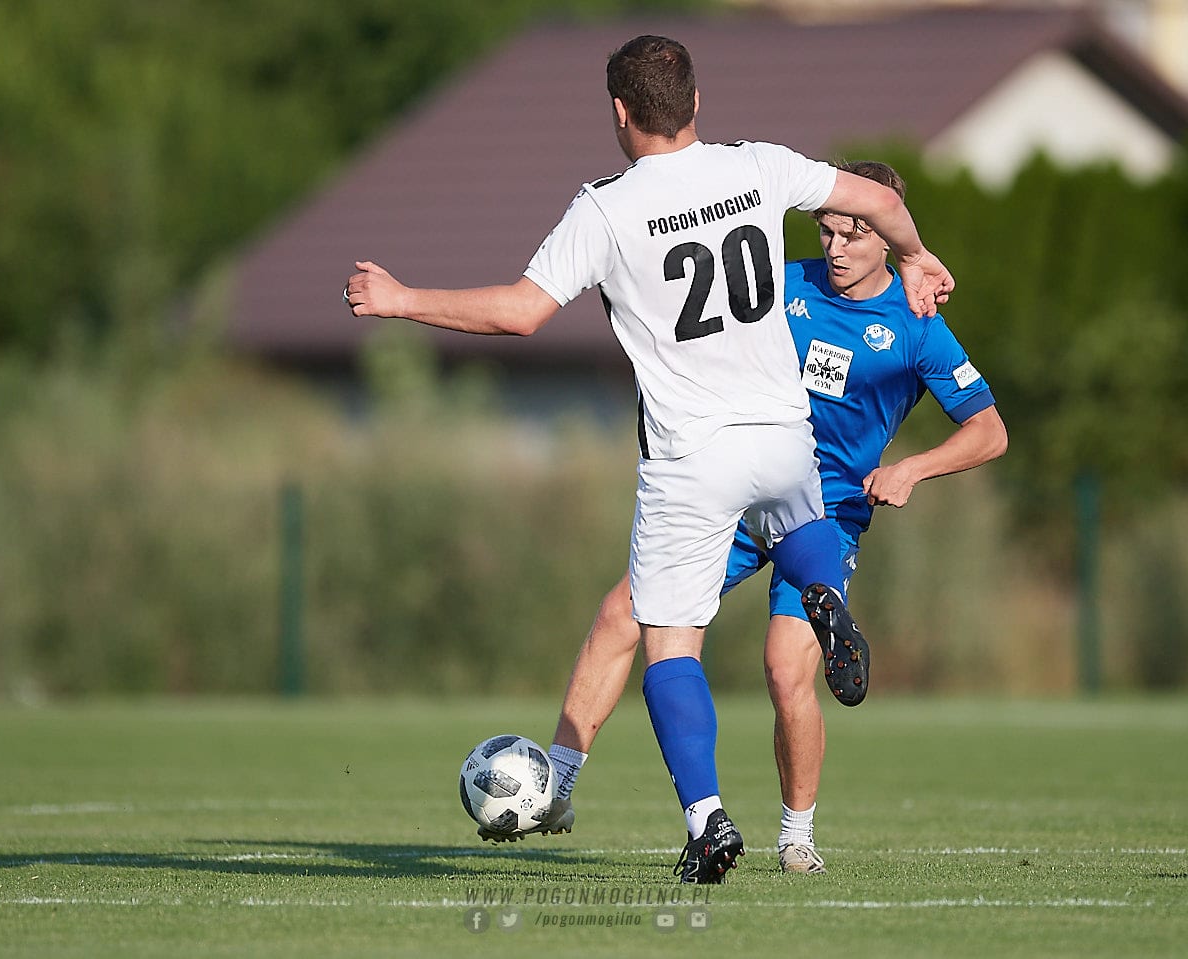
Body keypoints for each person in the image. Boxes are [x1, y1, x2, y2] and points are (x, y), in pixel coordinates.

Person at [345, 37, 955, 884]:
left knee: (669, 646)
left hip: (691, 455)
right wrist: (917, 254)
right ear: (696, 101)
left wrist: (401, 298)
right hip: (783, 431)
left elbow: (521, 313)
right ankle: (822, 588)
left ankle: (708, 821)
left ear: (620, 112)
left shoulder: (606, 209)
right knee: (801, 530)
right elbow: (875, 200)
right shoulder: (757, 165)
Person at [488, 160, 1007, 878]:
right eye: (826, 232)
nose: (835, 248)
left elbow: (989, 431)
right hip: (736, 492)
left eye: (854, 235)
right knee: (620, 614)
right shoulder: (781, 285)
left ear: (888, 236)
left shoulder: (917, 326)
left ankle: (797, 837)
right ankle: (558, 786)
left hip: (824, 509)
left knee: (785, 669)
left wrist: (911, 468)